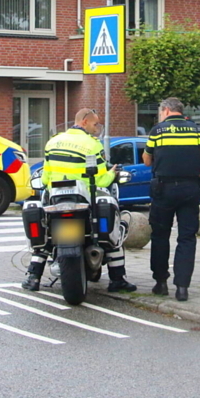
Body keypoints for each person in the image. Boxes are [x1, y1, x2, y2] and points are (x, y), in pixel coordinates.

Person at [22, 108, 138, 294]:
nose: (97, 127)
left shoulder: (53, 142)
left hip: (56, 200)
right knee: (111, 231)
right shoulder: (92, 145)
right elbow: (101, 180)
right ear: (84, 122)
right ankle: (117, 279)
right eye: (95, 123)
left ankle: (33, 277)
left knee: (47, 237)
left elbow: (45, 179)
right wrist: (112, 173)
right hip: (83, 200)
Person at [143, 98, 200, 302]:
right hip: (190, 189)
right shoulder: (196, 130)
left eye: (161, 112)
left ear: (166, 111)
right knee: (187, 238)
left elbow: (146, 161)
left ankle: (161, 282)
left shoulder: (157, 131)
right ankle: (182, 287)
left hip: (164, 188)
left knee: (160, 236)